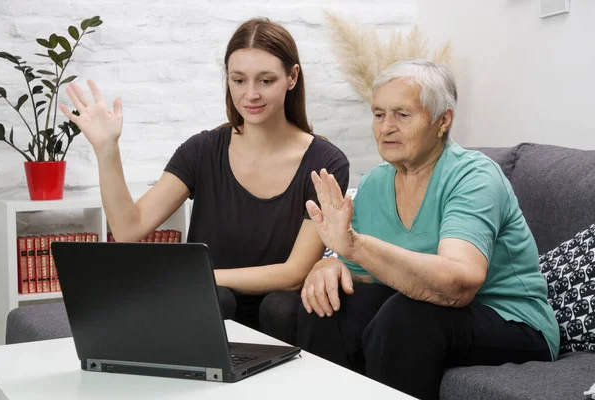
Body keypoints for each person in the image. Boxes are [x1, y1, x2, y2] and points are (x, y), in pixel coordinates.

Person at [60, 18, 349, 345]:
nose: (250, 94)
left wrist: (200, 276)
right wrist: (107, 150)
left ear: (292, 77)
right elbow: (129, 228)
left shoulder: (326, 162)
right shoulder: (203, 150)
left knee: (278, 306)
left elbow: (294, 273)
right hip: (207, 307)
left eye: (265, 80)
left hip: (279, 311)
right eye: (239, 80)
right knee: (219, 299)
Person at [296, 59, 559, 399]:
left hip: (512, 321)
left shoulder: (473, 176)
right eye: (379, 114)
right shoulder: (376, 183)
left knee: (406, 317)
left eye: (402, 115)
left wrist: (355, 246)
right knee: (326, 305)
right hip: (429, 313)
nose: (386, 127)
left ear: (443, 121)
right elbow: (361, 271)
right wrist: (331, 264)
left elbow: (459, 284)